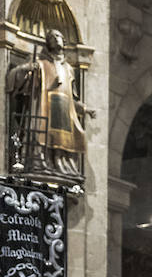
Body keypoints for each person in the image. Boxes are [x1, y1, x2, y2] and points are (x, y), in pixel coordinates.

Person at [5, 27, 94, 176]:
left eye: (57, 36)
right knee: (40, 135)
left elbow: (72, 100)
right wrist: (28, 68)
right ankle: (40, 163)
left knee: (70, 138)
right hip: (43, 112)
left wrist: (85, 109)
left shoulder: (69, 69)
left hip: (63, 118)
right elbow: (13, 78)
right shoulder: (40, 64)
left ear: (63, 41)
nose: (55, 39)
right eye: (51, 37)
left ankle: (61, 165)